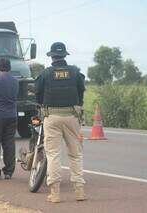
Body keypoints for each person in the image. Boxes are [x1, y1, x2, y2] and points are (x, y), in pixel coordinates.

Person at [35, 42, 86, 203]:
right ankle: (79, 192)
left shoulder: (46, 73)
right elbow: (81, 92)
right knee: (75, 154)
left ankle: (55, 194)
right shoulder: (75, 72)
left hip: (52, 117)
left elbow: (38, 94)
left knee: (53, 155)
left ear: (51, 56)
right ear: (65, 55)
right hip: (72, 117)